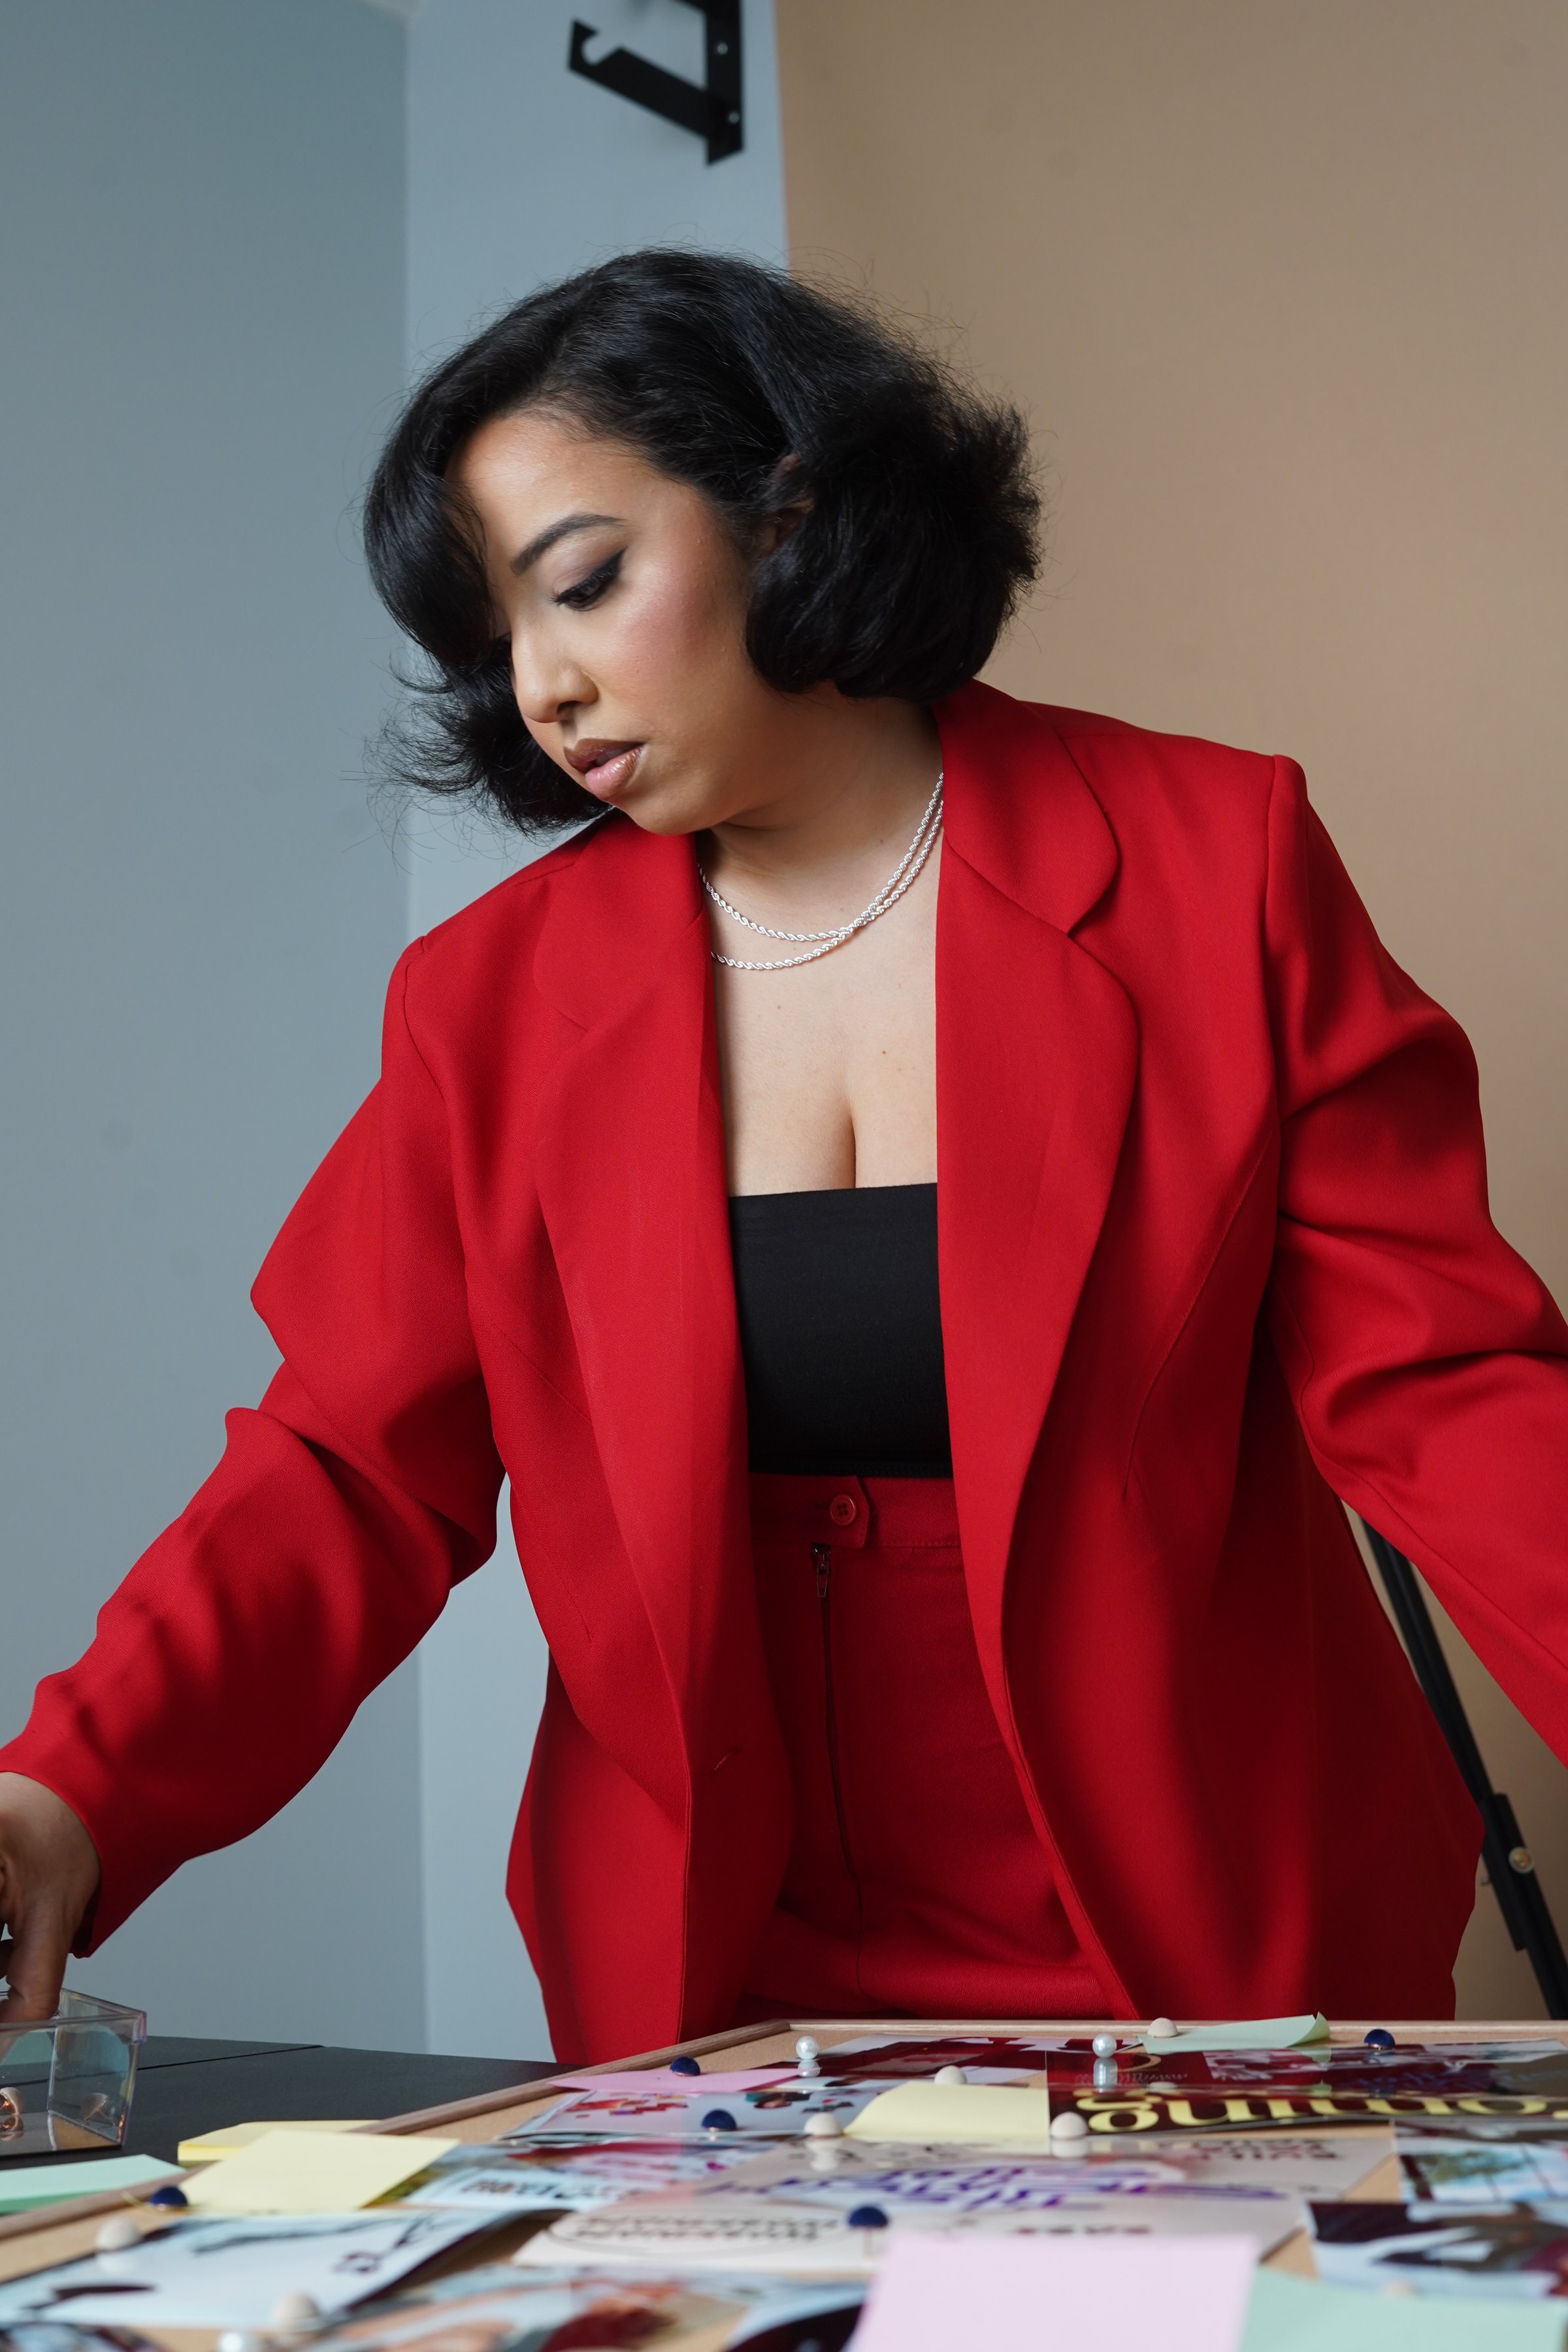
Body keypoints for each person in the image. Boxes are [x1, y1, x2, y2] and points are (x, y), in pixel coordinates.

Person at [1, 250, 1565, 2063]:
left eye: (582, 586)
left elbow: (1447, 1392)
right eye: (501, 637)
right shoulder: (486, 1004)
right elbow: (347, 1468)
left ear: (790, 509)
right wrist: (70, 1791)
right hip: (714, 1983)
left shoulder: (1219, 863)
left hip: (1218, 1944)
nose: (547, 685)